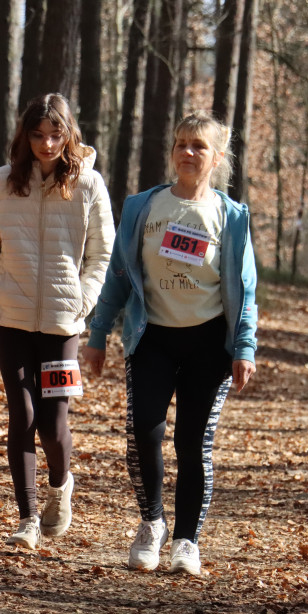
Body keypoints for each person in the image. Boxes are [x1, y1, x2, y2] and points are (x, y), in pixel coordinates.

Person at [84, 111, 257, 576]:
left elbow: (245, 288)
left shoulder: (231, 215)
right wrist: (97, 334)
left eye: (199, 146)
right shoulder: (144, 207)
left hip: (208, 344)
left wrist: (244, 347)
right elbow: (119, 277)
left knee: (193, 440)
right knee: (143, 431)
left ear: (217, 157)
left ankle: (186, 540)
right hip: (152, 337)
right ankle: (152, 523)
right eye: (181, 143)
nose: (187, 152)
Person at [0, 93, 115, 550]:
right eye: (38, 135)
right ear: (24, 137)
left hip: (64, 324)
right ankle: (26, 517)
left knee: (53, 420)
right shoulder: (3, 183)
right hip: (10, 318)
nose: (47, 144)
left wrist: (83, 300)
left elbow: (103, 252)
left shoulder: (89, 184)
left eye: (55, 135)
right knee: (21, 413)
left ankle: (61, 487)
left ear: (69, 134)